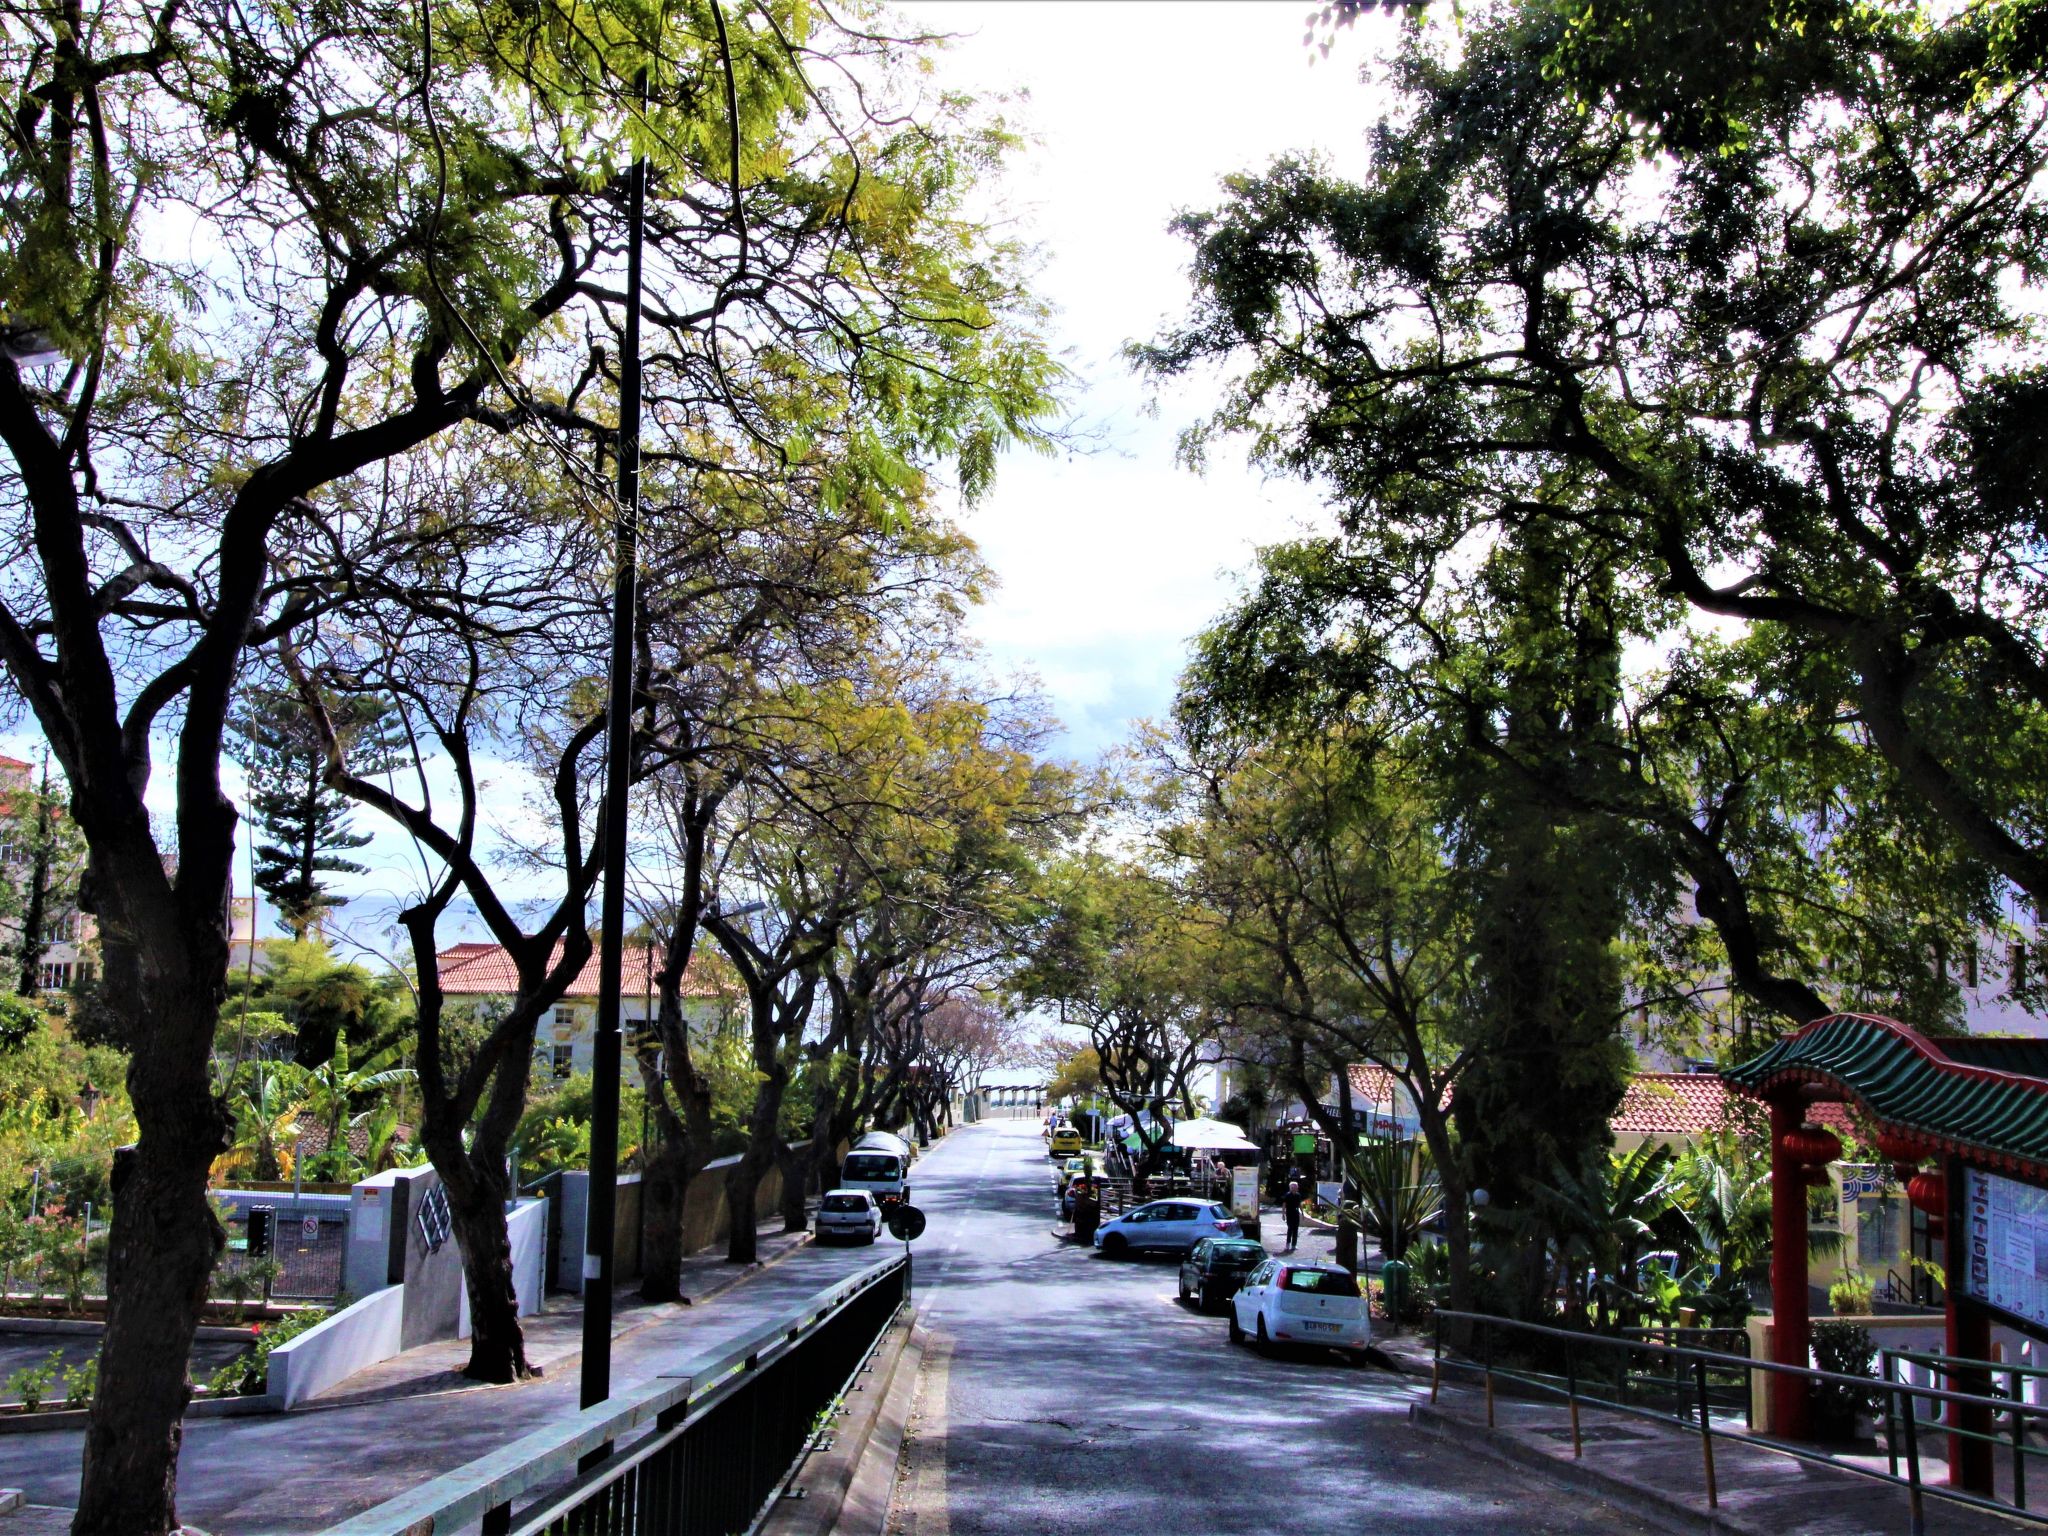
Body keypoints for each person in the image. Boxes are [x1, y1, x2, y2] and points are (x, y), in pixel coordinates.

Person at [1283, 1179, 1303, 1252]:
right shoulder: (1287, 1195)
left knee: (1295, 1229)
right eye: (1293, 1187)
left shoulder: (1298, 1195)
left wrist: (1302, 1213)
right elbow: (1284, 1204)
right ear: (1290, 1188)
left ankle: (1294, 1245)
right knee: (1290, 1228)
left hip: (1296, 1213)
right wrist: (1283, 1214)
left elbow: (1300, 1204)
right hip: (1289, 1213)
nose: (1294, 1188)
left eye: (1295, 1187)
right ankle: (1287, 1244)